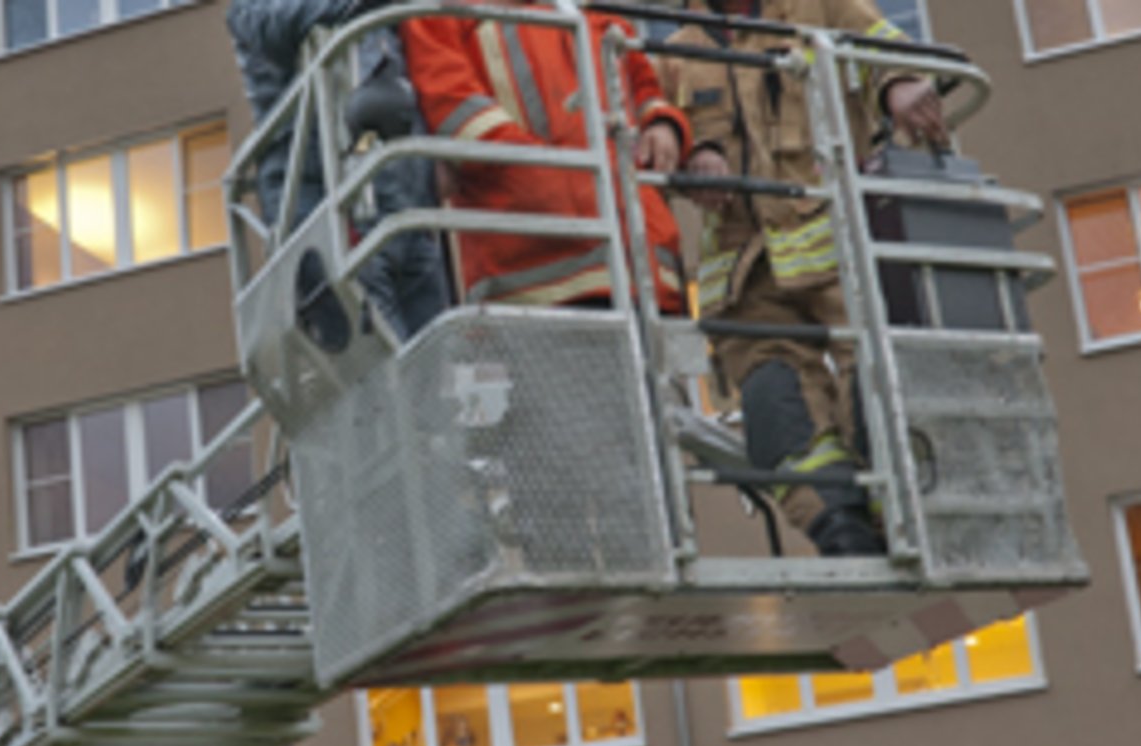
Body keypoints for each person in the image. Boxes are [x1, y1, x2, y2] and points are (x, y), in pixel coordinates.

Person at [658, 0, 946, 556]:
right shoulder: (674, 55)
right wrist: (694, 154)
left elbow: (884, 45)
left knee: (879, 384)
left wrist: (899, 82)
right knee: (779, 410)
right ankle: (839, 529)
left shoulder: (820, 7)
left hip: (840, 255)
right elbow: (654, 130)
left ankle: (901, 513)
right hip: (744, 277)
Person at [400, 1, 691, 312]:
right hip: (538, 275)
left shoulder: (596, 12)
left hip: (647, 272)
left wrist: (663, 124)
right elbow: (456, 112)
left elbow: (644, 89)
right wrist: (557, 178)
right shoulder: (443, 10)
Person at [227, 0, 452, 338]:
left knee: (434, 352)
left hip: (402, 207)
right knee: (377, 353)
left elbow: (397, 85)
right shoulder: (256, 8)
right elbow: (279, 24)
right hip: (325, 206)